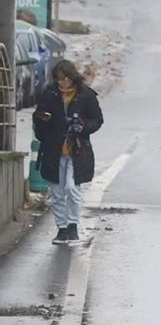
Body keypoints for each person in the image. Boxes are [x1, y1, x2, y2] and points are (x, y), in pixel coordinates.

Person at [32, 59, 103, 245]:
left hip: (77, 149)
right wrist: (43, 122)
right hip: (53, 149)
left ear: (73, 77)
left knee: (72, 187)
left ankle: (72, 226)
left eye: (65, 79)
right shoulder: (49, 94)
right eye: (58, 79)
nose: (62, 83)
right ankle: (61, 228)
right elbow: (38, 119)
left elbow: (97, 120)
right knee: (57, 190)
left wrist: (82, 126)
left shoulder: (86, 95)